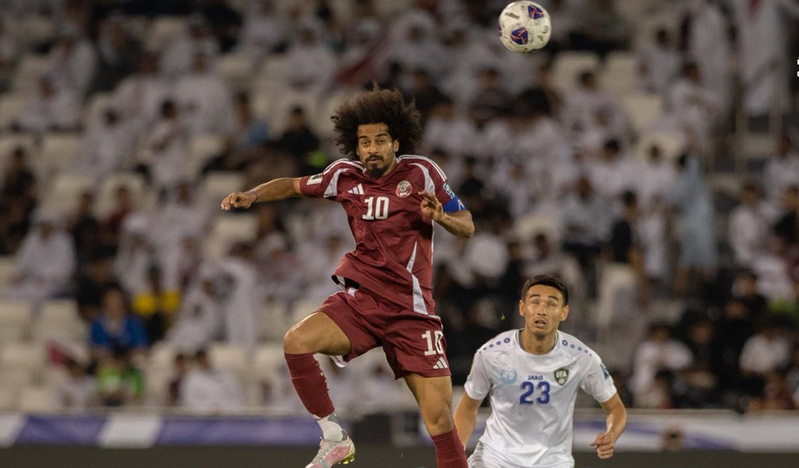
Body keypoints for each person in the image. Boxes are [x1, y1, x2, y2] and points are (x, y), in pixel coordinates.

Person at [221, 87, 474, 468]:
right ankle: (335, 438)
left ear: (396, 141)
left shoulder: (422, 172)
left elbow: (468, 226)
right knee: (296, 341)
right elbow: (291, 184)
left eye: (380, 140)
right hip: (362, 303)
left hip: (412, 312)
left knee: (439, 421)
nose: (371, 148)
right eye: (364, 141)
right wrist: (253, 195)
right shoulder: (344, 175)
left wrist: (441, 218)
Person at [454, 275, 627, 467]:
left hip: (552, 461)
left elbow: (616, 409)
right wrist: (455, 455)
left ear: (564, 312)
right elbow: (468, 407)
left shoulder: (582, 357)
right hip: (496, 457)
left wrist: (611, 434)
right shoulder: (491, 353)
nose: (542, 311)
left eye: (552, 304)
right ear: (522, 308)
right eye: (535, 302)